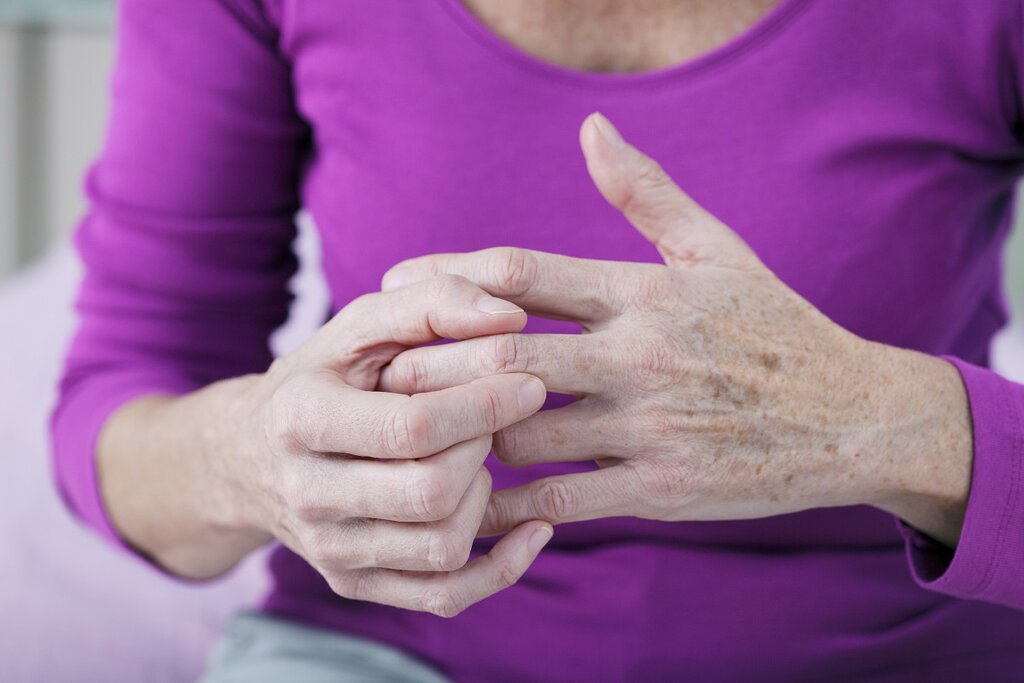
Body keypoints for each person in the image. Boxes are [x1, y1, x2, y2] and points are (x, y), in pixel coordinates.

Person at [52, 0, 1024, 680]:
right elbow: (127, 387)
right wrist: (247, 455)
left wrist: (883, 420)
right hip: (385, 655)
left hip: (906, 656)